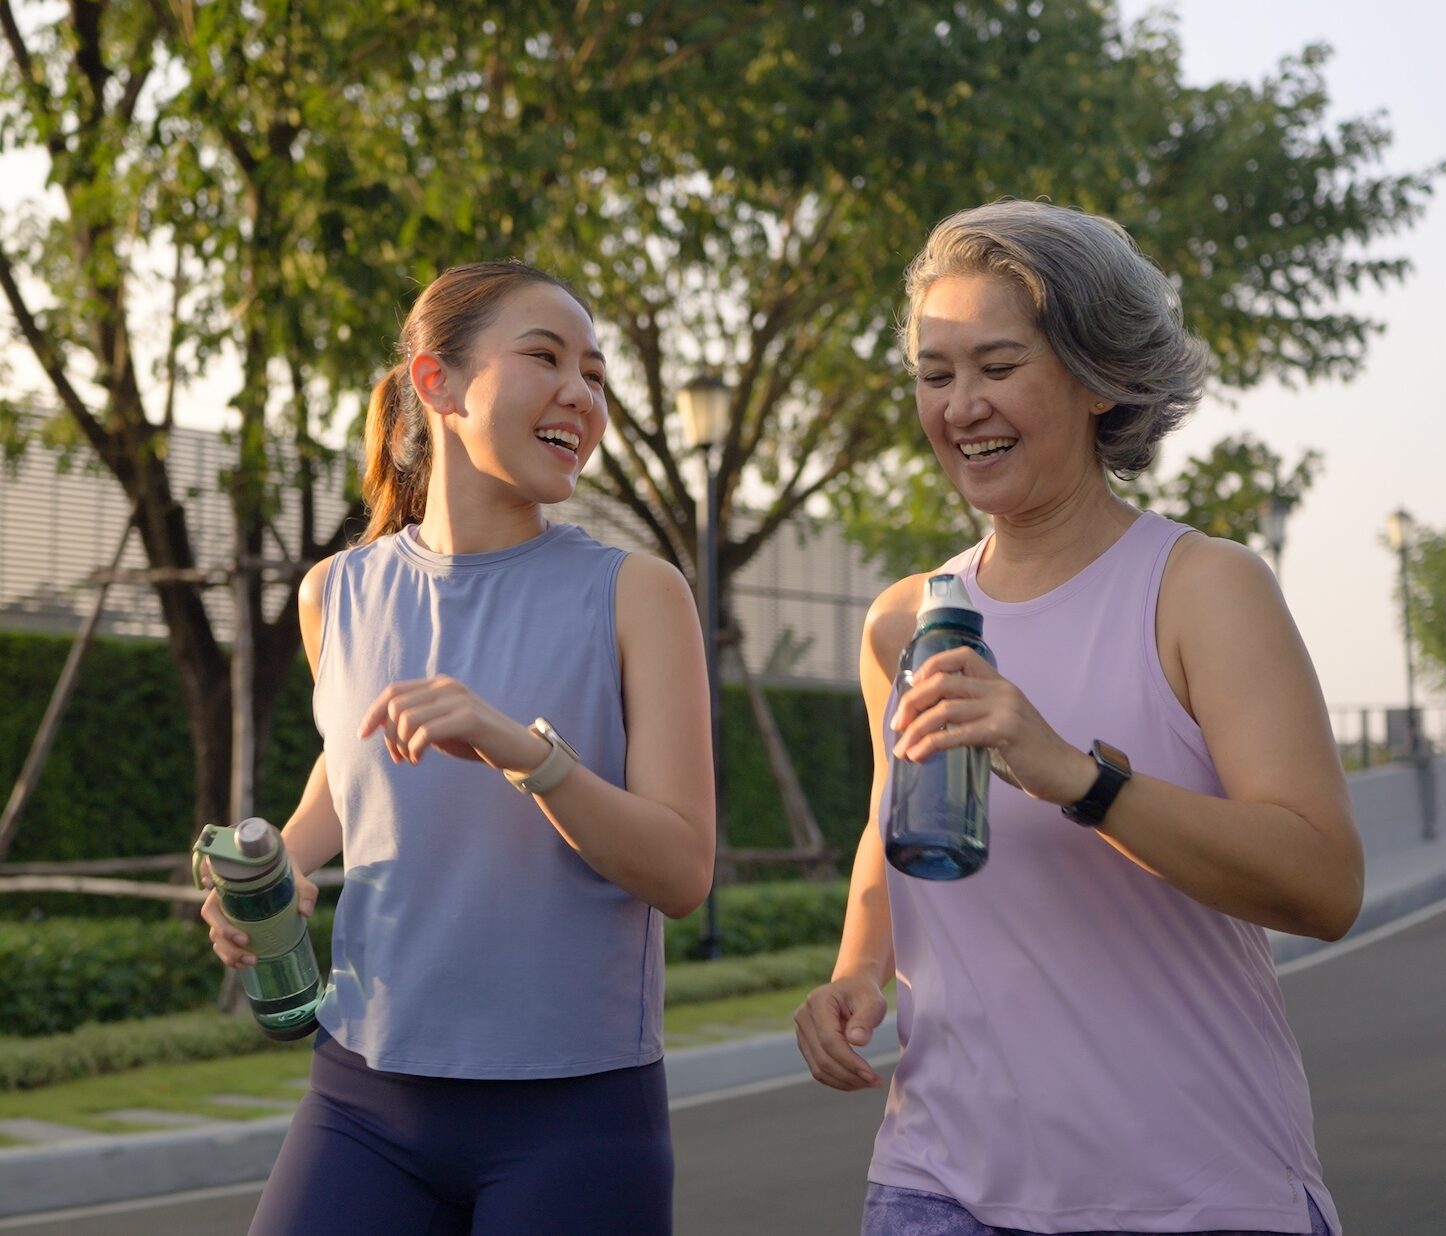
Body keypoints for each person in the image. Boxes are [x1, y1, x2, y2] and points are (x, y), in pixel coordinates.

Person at [793, 201, 1362, 1236]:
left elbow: (1323, 881)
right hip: (938, 1189)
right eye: (936, 373)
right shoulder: (902, 625)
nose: (962, 405)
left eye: (998, 365)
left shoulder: (1204, 589)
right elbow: (892, 848)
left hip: (1196, 1192)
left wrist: (1078, 776)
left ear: (1099, 377)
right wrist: (851, 975)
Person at [202, 260, 715, 1236]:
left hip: (576, 1114)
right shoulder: (335, 593)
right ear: (437, 384)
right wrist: (282, 867)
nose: (583, 392)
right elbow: (353, 772)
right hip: (362, 1099)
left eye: (596, 374)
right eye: (547, 357)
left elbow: (683, 870)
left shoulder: (638, 593)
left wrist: (520, 750)